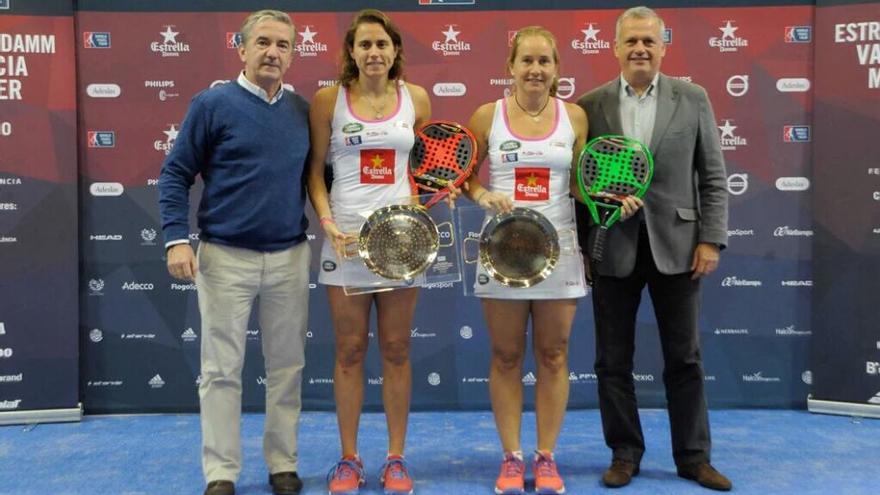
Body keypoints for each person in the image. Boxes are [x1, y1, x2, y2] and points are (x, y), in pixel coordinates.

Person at [464, 26, 638, 495]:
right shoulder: (487, 116)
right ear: (511, 67)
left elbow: (581, 185)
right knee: (505, 356)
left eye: (545, 61)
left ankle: (545, 457)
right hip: (501, 249)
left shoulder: (575, 118)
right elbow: (464, 176)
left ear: (557, 69)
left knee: (554, 355)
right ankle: (510, 457)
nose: (535, 70)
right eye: (527, 61)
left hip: (559, 250)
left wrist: (608, 199)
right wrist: (482, 193)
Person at [574, 6, 732, 491]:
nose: (639, 49)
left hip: (680, 247)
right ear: (615, 47)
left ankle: (693, 457)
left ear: (663, 46)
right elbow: (580, 182)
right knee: (612, 361)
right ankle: (624, 453)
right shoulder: (590, 104)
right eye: (631, 42)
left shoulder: (694, 98)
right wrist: (585, 248)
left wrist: (710, 238)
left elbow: (713, 175)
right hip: (612, 247)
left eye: (649, 41)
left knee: (684, 358)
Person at [158, 10, 309, 495]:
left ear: (292, 53)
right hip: (224, 257)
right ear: (241, 48)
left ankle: (282, 463)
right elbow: (175, 173)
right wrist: (176, 238)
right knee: (220, 372)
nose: (273, 53)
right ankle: (221, 473)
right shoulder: (213, 103)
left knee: (287, 368)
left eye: (283, 45)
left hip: (289, 256)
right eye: (263, 42)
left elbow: (322, 180)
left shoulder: (303, 111)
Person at [306, 9, 433, 495]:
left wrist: (415, 215)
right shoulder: (327, 101)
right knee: (350, 352)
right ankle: (349, 459)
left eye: (382, 45)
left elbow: (421, 169)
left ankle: (396, 459)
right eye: (365, 45)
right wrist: (329, 222)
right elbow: (316, 171)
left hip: (401, 243)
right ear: (352, 53)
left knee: (397, 350)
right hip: (346, 242)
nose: (374, 53)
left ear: (395, 50)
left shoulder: (415, 99)